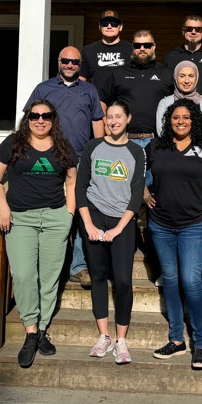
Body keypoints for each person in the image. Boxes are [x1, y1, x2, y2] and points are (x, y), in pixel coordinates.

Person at [0, 100, 77, 368]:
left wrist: (68, 215)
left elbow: (71, 181)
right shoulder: (13, 143)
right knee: (25, 275)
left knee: (49, 279)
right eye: (35, 115)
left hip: (54, 218)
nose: (40, 120)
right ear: (27, 118)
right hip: (20, 219)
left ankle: (41, 330)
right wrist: (2, 206)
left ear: (53, 119)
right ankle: (30, 330)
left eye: (46, 116)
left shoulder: (63, 146)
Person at [145, 98, 202, 370]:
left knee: (190, 282)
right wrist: (144, 192)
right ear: (169, 120)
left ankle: (200, 343)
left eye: (186, 118)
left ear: (195, 121)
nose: (180, 121)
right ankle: (177, 340)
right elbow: (142, 175)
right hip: (161, 226)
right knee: (171, 281)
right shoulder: (156, 146)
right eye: (175, 117)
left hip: (195, 225)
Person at [22, 46, 105, 289]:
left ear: (80, 65)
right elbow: (30, 120)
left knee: (81, 209)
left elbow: (97, 122)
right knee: (48, 206)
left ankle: (78, 266)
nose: (70, 65)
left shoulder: (89, 89)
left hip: (80, 158)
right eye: (66, 61)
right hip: (49, 157)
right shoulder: (44, 88)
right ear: (58, 62)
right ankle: (47, 264)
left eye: (75, 62)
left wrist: (97, 153)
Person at [76, 100, 146, 365]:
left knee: (124, 280)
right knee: (97, 277)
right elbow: (80, 188)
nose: (114, 121)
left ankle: (121, 340)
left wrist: (118, 228)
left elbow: (137, 192)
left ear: (128, 118)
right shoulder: (93, 147)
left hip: (122, 222)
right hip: (93, 217)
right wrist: (89, 225)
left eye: (119, 116)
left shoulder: (136, 152)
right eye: (110, 117)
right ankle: (103, 335)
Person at [98, 29, 173, 153]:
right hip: (125, 140)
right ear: (133, 47)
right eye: (138, 45)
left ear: (154, 47)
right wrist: (107, 127)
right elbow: (101, 100)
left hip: (158, 141)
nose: (142, 48)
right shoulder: (119, 73)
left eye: (147, 45)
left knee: (152, 174)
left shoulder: (166, 73)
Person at [156, 60, 202, 138]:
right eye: (182, 76)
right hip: (170, 148)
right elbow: (161, 133)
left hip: (198, 149)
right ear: (175, 77)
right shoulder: (165, 103)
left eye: (191, 76)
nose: (186, 81)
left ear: (196, 78)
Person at [80, 9, 133, 89]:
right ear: (99, 27)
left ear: (120, 27)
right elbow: (81, 79)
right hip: (96, 100)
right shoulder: (88, 50)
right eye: (105, 23)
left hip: (123, 100)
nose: (109, 26)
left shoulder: (131, 49)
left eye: (114, 23)